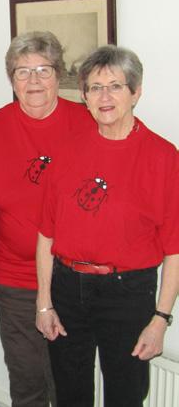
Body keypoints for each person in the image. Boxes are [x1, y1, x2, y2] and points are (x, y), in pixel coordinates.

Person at [36, 45, 179, 407]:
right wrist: (44, 302)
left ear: (136, 92)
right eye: (95, 88)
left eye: (115, 86)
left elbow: (175, 249)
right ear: (84, 96)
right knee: (69, 393)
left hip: (127, 293)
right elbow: (46, 234)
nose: (104, 97)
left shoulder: (162, 157)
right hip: (67, 287)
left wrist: (160, 319)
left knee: (126, 394)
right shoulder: (66, 151)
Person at [0, 31, 94, 407]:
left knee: (69, 378)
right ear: (11, 79)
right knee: (27, 376)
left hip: (72, 277)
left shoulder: (87, 123)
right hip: (15, 277)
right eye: (22, 71)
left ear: (59, 74)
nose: (34, 80)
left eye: (43, 70)